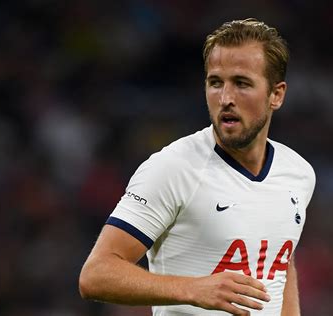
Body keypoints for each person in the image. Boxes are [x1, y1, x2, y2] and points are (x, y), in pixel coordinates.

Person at [79, 18, 315, 316]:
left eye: (241, 83)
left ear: (276, 95)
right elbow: (96, 274)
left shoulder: (299, 172)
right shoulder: (173, 169)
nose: (226, 98)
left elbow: (281, 263)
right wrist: (192, 289)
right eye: (216, 82)